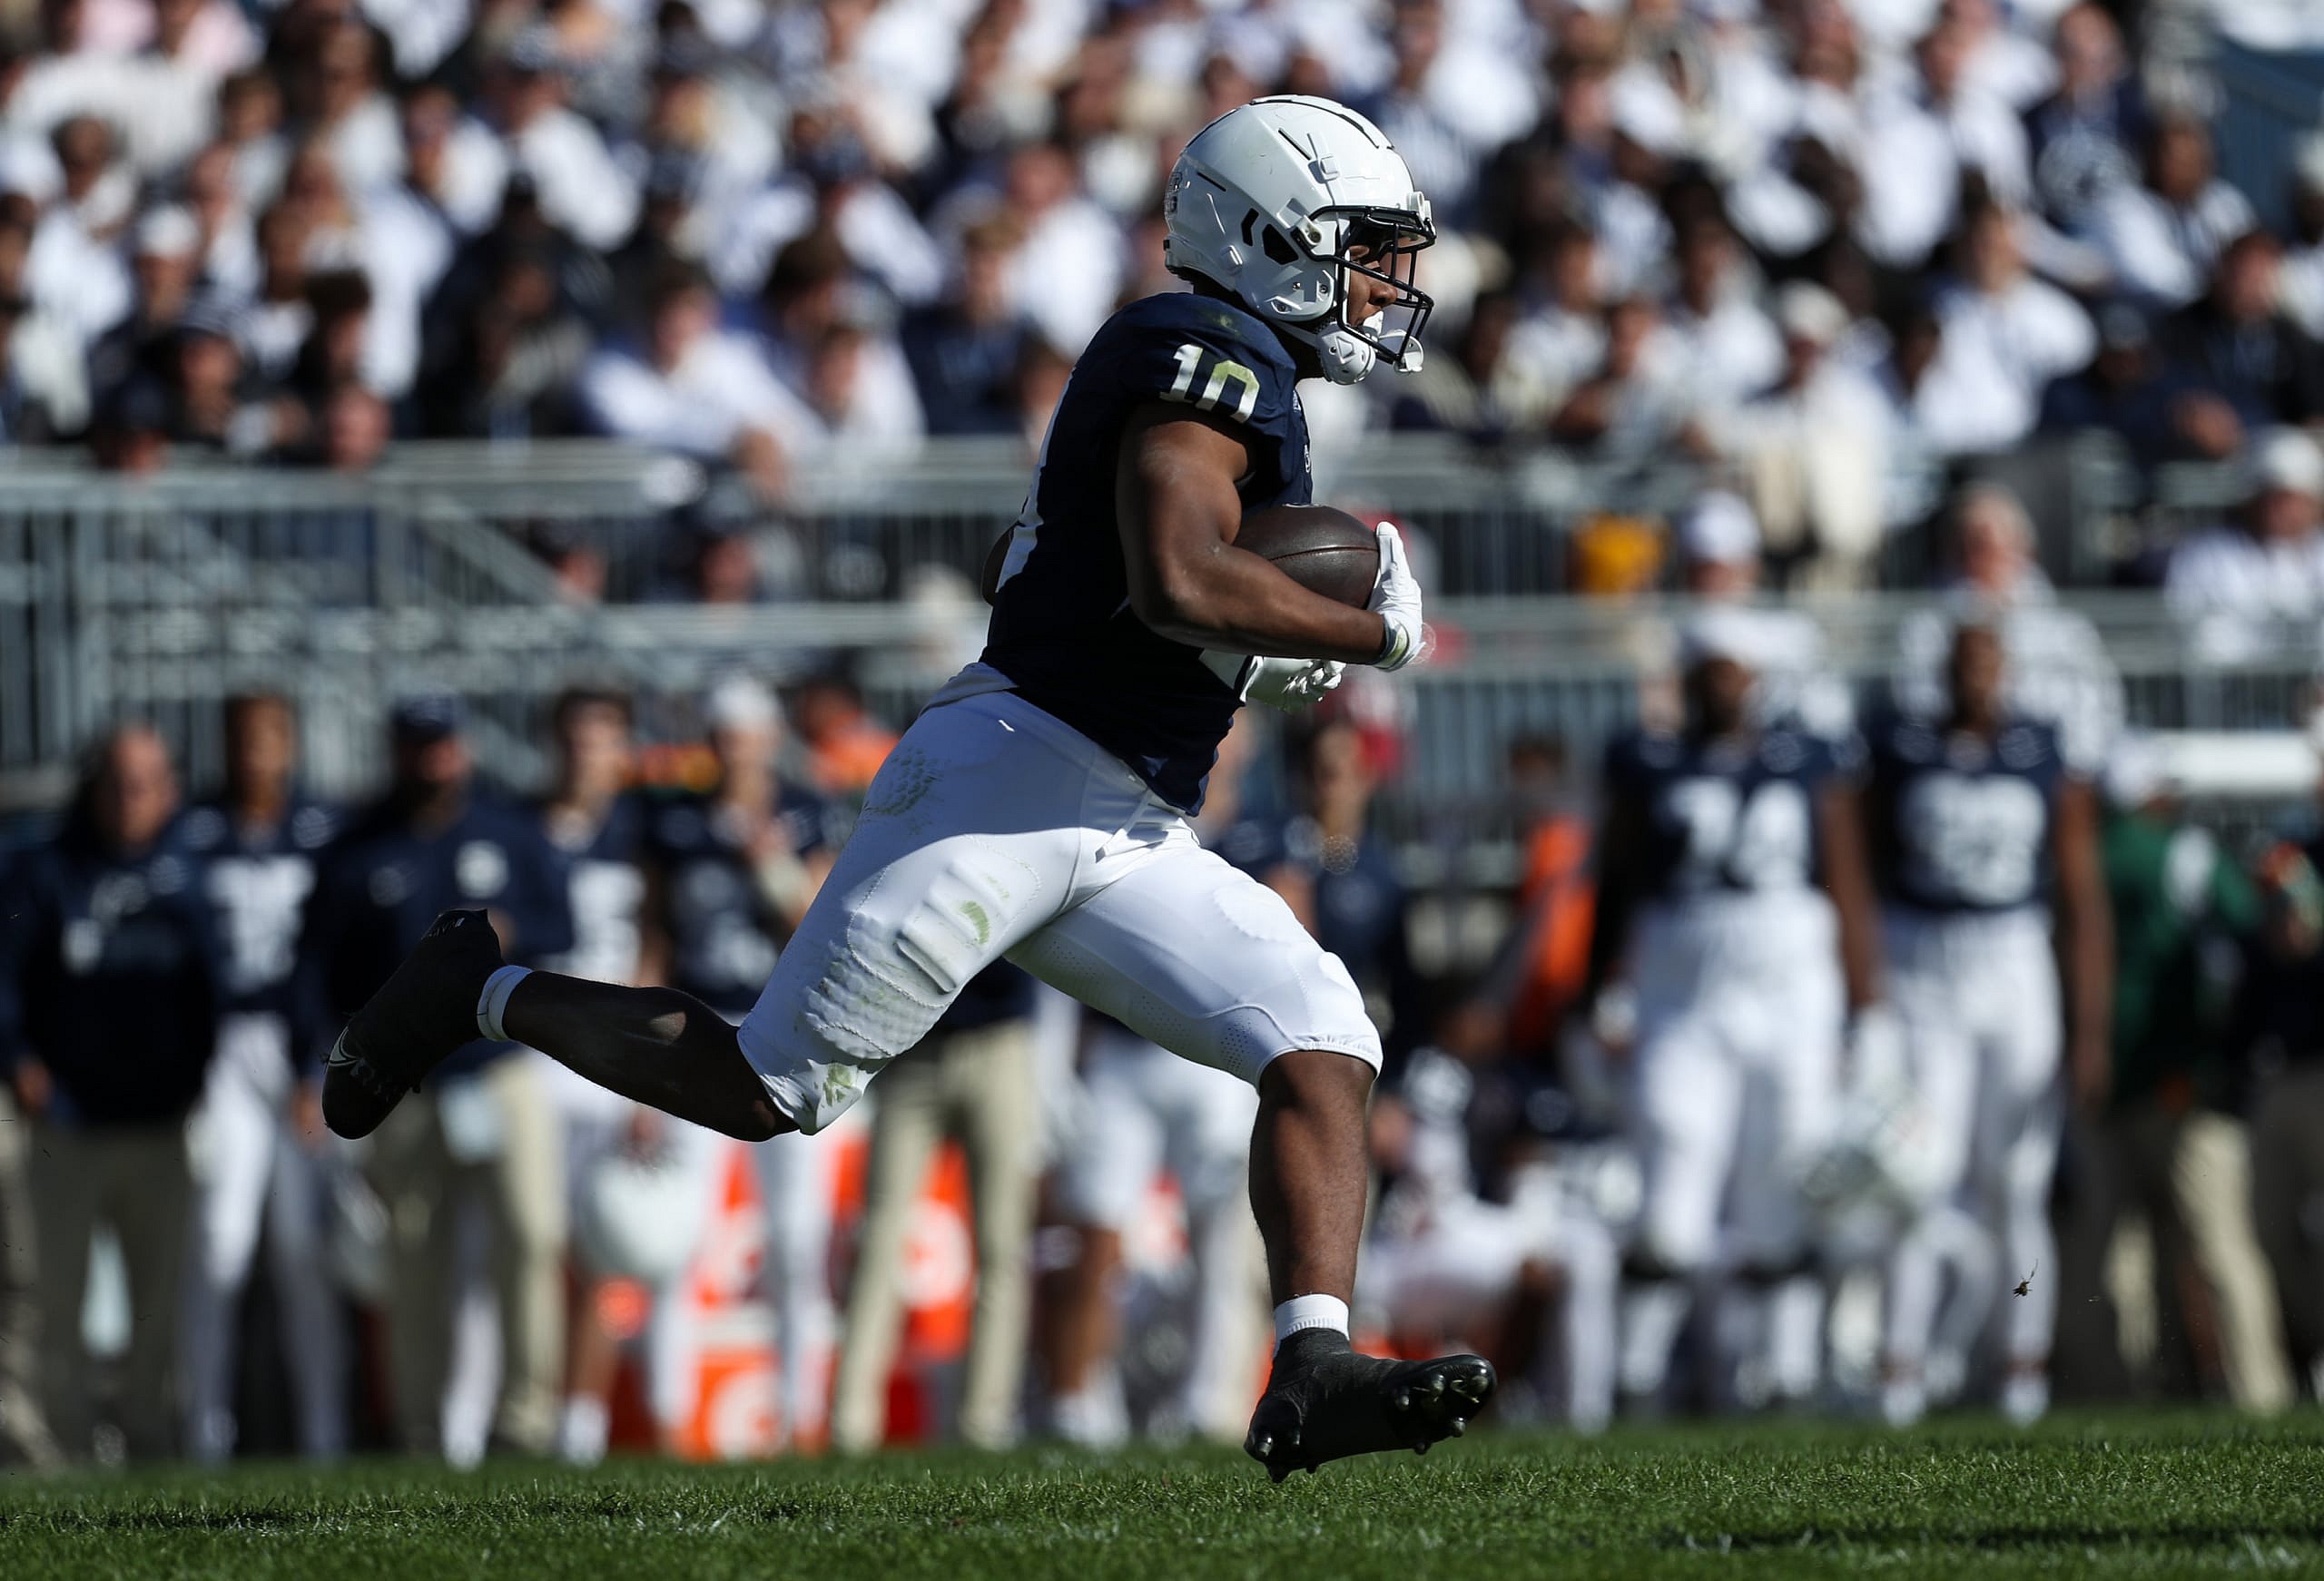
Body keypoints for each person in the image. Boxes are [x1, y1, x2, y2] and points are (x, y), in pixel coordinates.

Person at [319, 96, 1490, 1479]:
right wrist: (1364, 627)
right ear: (1267, 236)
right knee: (773, 1084)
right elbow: (1181, 577)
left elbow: (1169, 589)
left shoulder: (1233, 363)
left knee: (1321, 1032)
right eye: (1356, 248)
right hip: (1010, 781)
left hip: (1118, 814)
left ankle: (1313, 1363)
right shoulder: (1200, 345)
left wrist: (1265, 634)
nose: (1376, 284)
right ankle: (477, 991)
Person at [1585, 611, 1882, 1414]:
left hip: (1791, 989)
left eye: (1734, 672)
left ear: (1758, 681)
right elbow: (1614, 885)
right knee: (1672, 1176)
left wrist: (1870, 1008)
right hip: (1683, 991)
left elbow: (1848, 886)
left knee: (1783, 1178)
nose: (1720, 686)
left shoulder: (1808, 760)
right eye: (1707, 671)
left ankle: (1780, 1377)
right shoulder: (1647, 761)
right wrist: (1593, 993)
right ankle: (1638, 1378)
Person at [294, 697, 573, 1459]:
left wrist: (517, 933)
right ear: (397, 750)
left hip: (500, 1067)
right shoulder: (356, 849)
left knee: (531, 1235)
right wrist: (312, 1065)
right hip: (405, 1079)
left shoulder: (506, 832)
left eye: (444, 745)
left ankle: (526, 1420)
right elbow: (316, 968)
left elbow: (563, 925)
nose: (435, 761)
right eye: (420, 746)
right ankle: (418, 1428)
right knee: (415, 1258)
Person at [1864, 623, 2111, 1428]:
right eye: (1962, 661)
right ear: (1943, 671)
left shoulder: (2042, 753)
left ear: (2006, 670)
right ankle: (1899, 1365)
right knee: (1917, 1176)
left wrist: (2091, 1026)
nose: (1975, 676)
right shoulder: (1902, 751)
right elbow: (1861, 869)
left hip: (2012, 964)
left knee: (2018, 1180)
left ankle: (2021, 1364)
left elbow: (2079, 893)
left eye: (1987, 660)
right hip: (1925, 963)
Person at [0, 725, 223, 1461]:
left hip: (159, 1120)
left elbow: (210, 993)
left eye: (146, 782)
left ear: (170, 790)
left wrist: (195, 1077)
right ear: (93, 789)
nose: (131, 799)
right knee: (52, 1296)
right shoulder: (44, 872)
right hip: (66, 1121)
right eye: (118, 782)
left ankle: (151, 1439)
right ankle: (55, 1446)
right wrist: (19, 1058)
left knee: (158, 1302)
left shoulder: (193, 877)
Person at [639, 677, 843, 1451]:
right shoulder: (673, 821)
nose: (732, 749)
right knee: (675, 1236)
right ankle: (669, 1417)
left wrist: (768, 858)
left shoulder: (801, 812)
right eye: (720, 734)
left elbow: (819, 922)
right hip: (696, 1027)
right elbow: (653, 932)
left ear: (768, 738)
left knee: (796, 1238)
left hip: (781, 1029)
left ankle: (804, 1419)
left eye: (745, 733)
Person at [174, 693, 347, 1464]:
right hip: (222, 1050)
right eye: (243, 739)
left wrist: (318, 1062)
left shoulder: (322, 831)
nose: (256, 755)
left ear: (293, 743)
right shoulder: (197, 832)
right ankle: (205, 1433)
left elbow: (337, 955)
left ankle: (325, 1437)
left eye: (270, 738)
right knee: (219, 1242)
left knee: (302, 1247)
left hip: (300, 1052)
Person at [830, 965, 1040, 1453]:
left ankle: (984, 1422)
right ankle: (850, 1425)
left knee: (1001, 1244)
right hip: (912, 1050)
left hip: (999, 1044)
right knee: (879, 1239)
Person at [527, 687, 655, 1467]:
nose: (588, 756)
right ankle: (515, 1409)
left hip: (612, 1057)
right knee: (529, 1243)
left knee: (602, 1243)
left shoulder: (639, 832)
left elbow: (655, 941)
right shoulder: (520, 828)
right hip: (538, 1055)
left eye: (604, 740)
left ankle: (580, 1419)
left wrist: (644, 1064)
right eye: (577, 740)